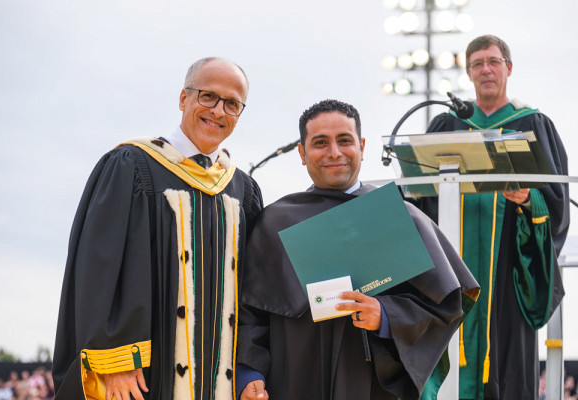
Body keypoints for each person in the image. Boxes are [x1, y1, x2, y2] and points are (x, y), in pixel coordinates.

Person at [236, 99, 479, 399]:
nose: (334, 152)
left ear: (362, 146)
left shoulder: (398, 218)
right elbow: (250, 311)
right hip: (292, 381)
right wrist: (250, 373)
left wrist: (387, 315)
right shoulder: (275, 222)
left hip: (370, 384)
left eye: (345, 141)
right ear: (302, 152)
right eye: (320, 142)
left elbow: (445, 304)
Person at [53, 57, 263, 400]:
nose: (218, 111)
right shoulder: (132, 166)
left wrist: (247, 370)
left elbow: (254, 293)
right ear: (183, 98)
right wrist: (116, 358)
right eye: (208, 96)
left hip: (219, 382)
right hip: (145, 376)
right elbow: (98, 265)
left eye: (232, 104)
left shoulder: (243, 191)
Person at [414, 35, 570, 399]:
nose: (486, 69)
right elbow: (418, 197)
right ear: (468, 73)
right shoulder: (445, 126)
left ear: (508, 68)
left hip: (508, 275)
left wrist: (531, 200)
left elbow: (555, 203)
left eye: (493, 61)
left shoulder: (532, 124)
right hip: (451, 276)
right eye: (477, 63)